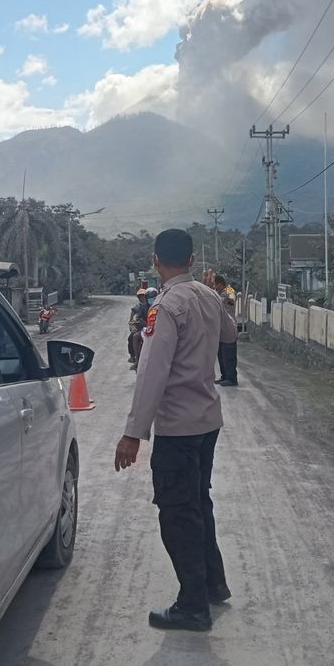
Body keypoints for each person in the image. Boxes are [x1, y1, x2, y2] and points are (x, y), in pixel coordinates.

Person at [114, 229, 238, 632]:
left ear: (155, 261)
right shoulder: (207, 295)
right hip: (207, 420)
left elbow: (152, 372)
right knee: (198, 503)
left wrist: (134, 433)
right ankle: (213, 584)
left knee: (178, 513)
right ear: (192, 258)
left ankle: (192, 605)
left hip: (179, 427)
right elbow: (230, 335)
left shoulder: (166, 306)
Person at [209, 274, 239, 387]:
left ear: (220, 284)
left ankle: (232, 378)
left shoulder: (228, 289)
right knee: (221, 355)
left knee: (229, 354)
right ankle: (224, 376)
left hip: (229, 328)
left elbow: (232, 299)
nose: (214, 287)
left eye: (214, 284)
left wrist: (224, 299)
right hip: (220, 329)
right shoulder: (216, 293)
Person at [128, 288, 150, 368]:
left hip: (151, 327)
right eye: (140, 297)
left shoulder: (152, 305)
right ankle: (134, 357)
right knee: (132, 337)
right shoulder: (137, 307)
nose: (142, 298)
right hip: (140, 328)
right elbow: (134, 318)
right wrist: (133, 325)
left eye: (143, 296)